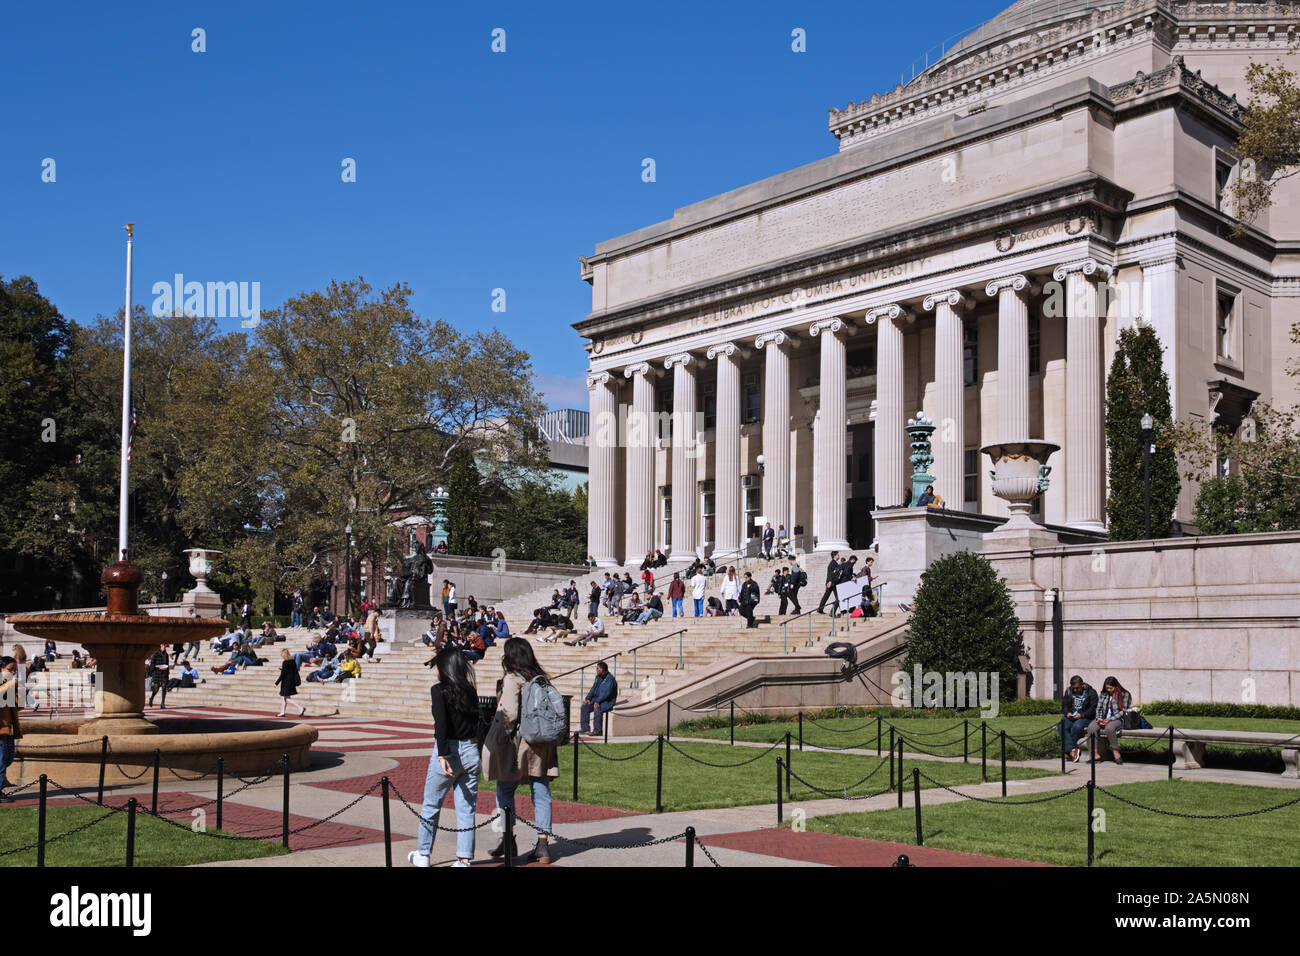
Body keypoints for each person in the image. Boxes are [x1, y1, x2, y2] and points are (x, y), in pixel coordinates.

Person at [484, 638, 558, 865]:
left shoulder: (512, 678)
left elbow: (508, 713)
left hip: (518, 741)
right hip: (542, 741)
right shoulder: (541, 678)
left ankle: (508, 839)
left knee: (504, 788)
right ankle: (543, 845)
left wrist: (496, 737)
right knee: (540, 789)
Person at [1086, 676, 1133, 765]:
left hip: (1117, 719)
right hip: (1103, 718)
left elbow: (1124, 710)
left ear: (1116, 686)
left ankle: (1116, 752)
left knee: (1109, 728)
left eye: (1111, 688)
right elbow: (1098, 708)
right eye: (1107, 688)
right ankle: (1095, 755)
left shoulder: (1124, 694)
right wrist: (1099, 718)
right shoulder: (1103, 694)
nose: (1109, 690)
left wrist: (1110, 719)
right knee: (1091, 728)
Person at [1061, 675, 1098, 762]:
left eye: (1077, 688)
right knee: (1061, 725)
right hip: (1072, 717)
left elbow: (1093, 709)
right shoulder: (1068, 691)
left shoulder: (1091, 692)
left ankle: (1070, 750)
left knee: (1077, 726)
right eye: (1073, 688)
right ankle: (1073, 749)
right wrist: (1067, 713)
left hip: (1085, 717)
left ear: (1082, 685)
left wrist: (1082, 715)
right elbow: (1064, 705)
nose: (1075, 690)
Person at [0, 656, 22, 802]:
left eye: (14, 670)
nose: (13, 673)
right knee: (1, 760)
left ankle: (2, 781)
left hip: (9, 728)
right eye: (10, 669)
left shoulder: (8, 684)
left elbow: (19, 706)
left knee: (7, 758)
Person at [579, 662, 618, 736]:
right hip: (597, 699)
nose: (596, 670)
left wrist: (597, 701)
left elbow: (606, 693)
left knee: (597, 708)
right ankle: (585, 728)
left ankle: (597, 730)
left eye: (598, 668)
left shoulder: (610, 679)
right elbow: (593, 689)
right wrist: (588, 699)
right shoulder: (598, 677)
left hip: (607, 701)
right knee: (584, 707)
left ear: (602, 669)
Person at [275, 649, 306, 717]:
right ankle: (282, 712)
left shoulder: (285, 662)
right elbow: (294, 671)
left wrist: (276, 683)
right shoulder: (293, 661)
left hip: (286, 682)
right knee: (284, 697)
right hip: (291, 682)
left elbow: (283, 674)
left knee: (286, 698)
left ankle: (300, 707)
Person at [146, 643, 171, 709]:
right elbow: (151, 666)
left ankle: (162, 703)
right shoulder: (155, 654)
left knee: (164, 687)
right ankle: (151, 698)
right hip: (156, 673)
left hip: (164, 673)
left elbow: (167, 664)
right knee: (156, 688)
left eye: (165, 646)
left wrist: (167, 672)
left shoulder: (166, 655)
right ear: (160, 647)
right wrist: (157, 667)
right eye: (163, 646)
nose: (164, 647)